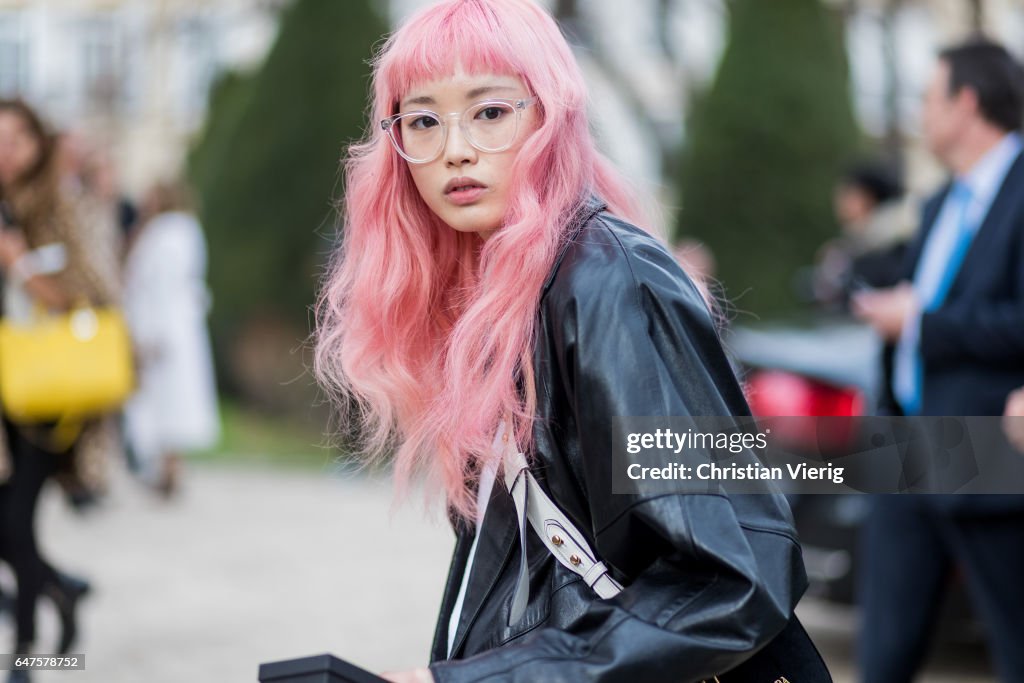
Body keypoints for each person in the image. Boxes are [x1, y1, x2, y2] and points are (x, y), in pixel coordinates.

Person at [315, 2, 829, 681]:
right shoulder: (508, 294)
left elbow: (727, 577)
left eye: (490, 112)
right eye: (423, 121)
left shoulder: (608, 282)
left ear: (548, 116)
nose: (455, 148)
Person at [853, 40, 1024, 683]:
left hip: (987, 450)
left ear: (967, 103)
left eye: (930, 98)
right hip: (901, 444)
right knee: (883, 656)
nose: (920, 113)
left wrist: (920, 321)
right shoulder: (939, 203)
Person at [0, 100, 118, 679]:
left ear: (40, 144)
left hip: (49, 394)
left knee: (17, 525)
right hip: (4, 394)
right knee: (6, 530)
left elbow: (92, 294)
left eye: (18, 137)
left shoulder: (62, 208)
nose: (7, 150)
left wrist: (20, 261)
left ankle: (26, 658)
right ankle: (61, 589)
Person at [123, 180, 220, 496]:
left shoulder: (168, 233)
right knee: (171, 399)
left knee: (165, 399)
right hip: (176, 327)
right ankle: (167, 467)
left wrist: (151, 333)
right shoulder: (184, 230)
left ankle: (167, 468)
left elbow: (161, 287)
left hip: (162, 329)